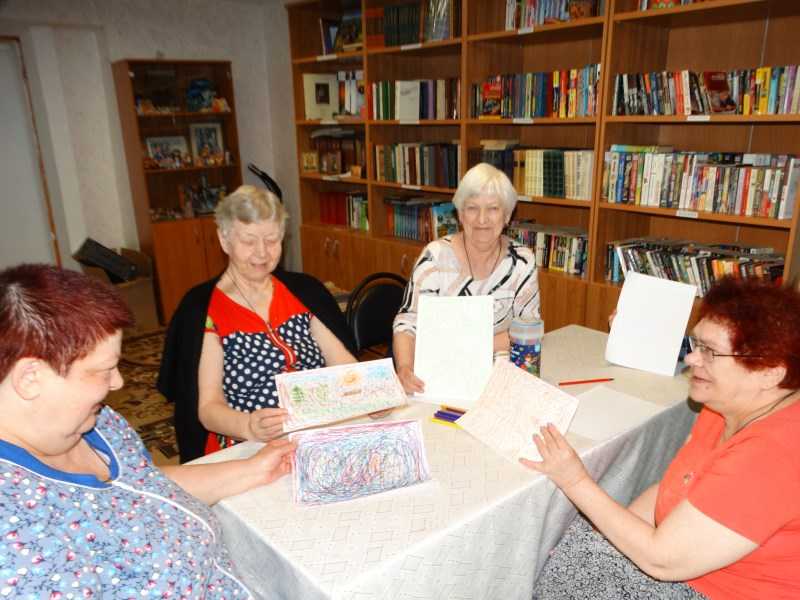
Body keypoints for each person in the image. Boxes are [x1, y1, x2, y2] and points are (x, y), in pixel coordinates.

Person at [0, 263, 295, 596]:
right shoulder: (14, 535)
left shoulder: (99, 423)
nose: (118, 383)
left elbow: (145, 485)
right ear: (30, 378)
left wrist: (256, 468)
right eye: (104, 370)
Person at [525, 277, 800, 599]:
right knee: (569, 544)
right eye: (697, 345)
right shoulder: (724, 408)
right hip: (684, 570)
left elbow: (662, 561)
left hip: (712, 591)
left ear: (770, 373)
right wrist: (602, 541)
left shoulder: (772, 457)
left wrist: (574, 480)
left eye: (711, 352)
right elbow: (673, 487)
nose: (692, 360)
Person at [158, 185, 358, 460]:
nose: (262, 253)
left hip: (316, 433)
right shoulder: (204, 308)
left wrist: (368, 394)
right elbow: (208, 407)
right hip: (246, 446)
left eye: (272, 240)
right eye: (249, 241)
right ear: (224, 240)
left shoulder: (304, 292)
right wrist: (248, 426)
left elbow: (344, 364)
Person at [392, 162, 540, 393]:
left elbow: (528, 330)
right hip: (438, 379)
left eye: (493, 209)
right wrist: (404, 368)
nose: (482, 219)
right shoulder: (435, 257)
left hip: (501, 380)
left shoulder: (521, 261)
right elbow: (408, 322)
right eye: (472, 208)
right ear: (460, 214)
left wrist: (465, 346)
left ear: (507, 215)